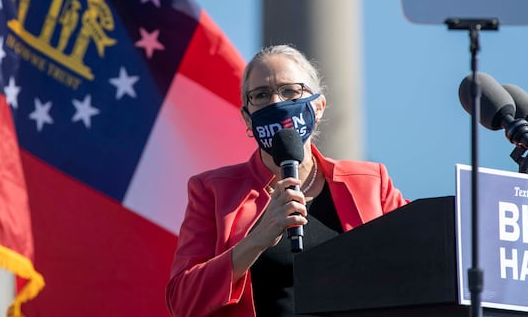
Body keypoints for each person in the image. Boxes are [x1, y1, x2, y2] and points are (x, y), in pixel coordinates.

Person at [166, 44, 408, 317]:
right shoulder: (212, 191)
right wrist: (257, 240)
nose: (277, 103)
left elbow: (427, 254)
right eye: (261, 95)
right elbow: (182, 302)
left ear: (318, 107)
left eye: (291, 91)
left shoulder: (371, 183)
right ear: (247, 117)